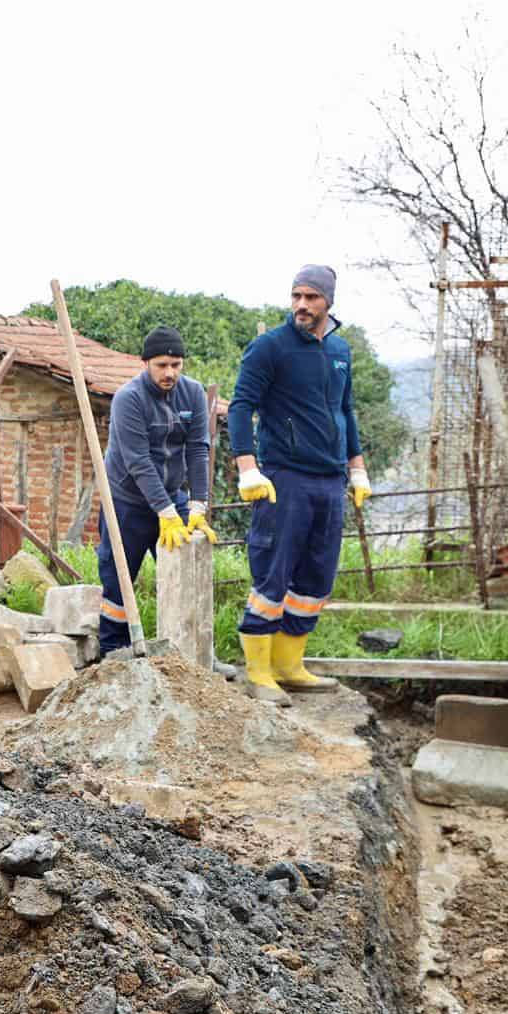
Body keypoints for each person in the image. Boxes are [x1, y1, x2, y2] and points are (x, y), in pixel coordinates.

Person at [228, 266, 373, 704]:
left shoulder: (340, 350)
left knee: (315, 575)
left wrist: (358, 469)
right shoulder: (270, 347)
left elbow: (345, 411)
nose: (302, 305)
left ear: (329, 301)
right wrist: (248, 469)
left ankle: (290, 665)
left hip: (329, 480)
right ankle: (258, 671)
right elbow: (240, 406)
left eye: (311, 297)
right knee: (274, 569)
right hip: (283, 478)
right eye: (296, 296)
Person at [96, 326, 212, 654]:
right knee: (119, 580)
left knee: (186, 579)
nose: (169, 373)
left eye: (176, 365)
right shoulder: (129, 398)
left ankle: (195, 653)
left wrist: (198, 505)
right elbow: (138, 461)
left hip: (173, 498)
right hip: (127, 501)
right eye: (162, 365)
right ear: (145, 363)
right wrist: (165, 512)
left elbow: (198, 449)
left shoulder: (192, 393)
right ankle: (113, 654)